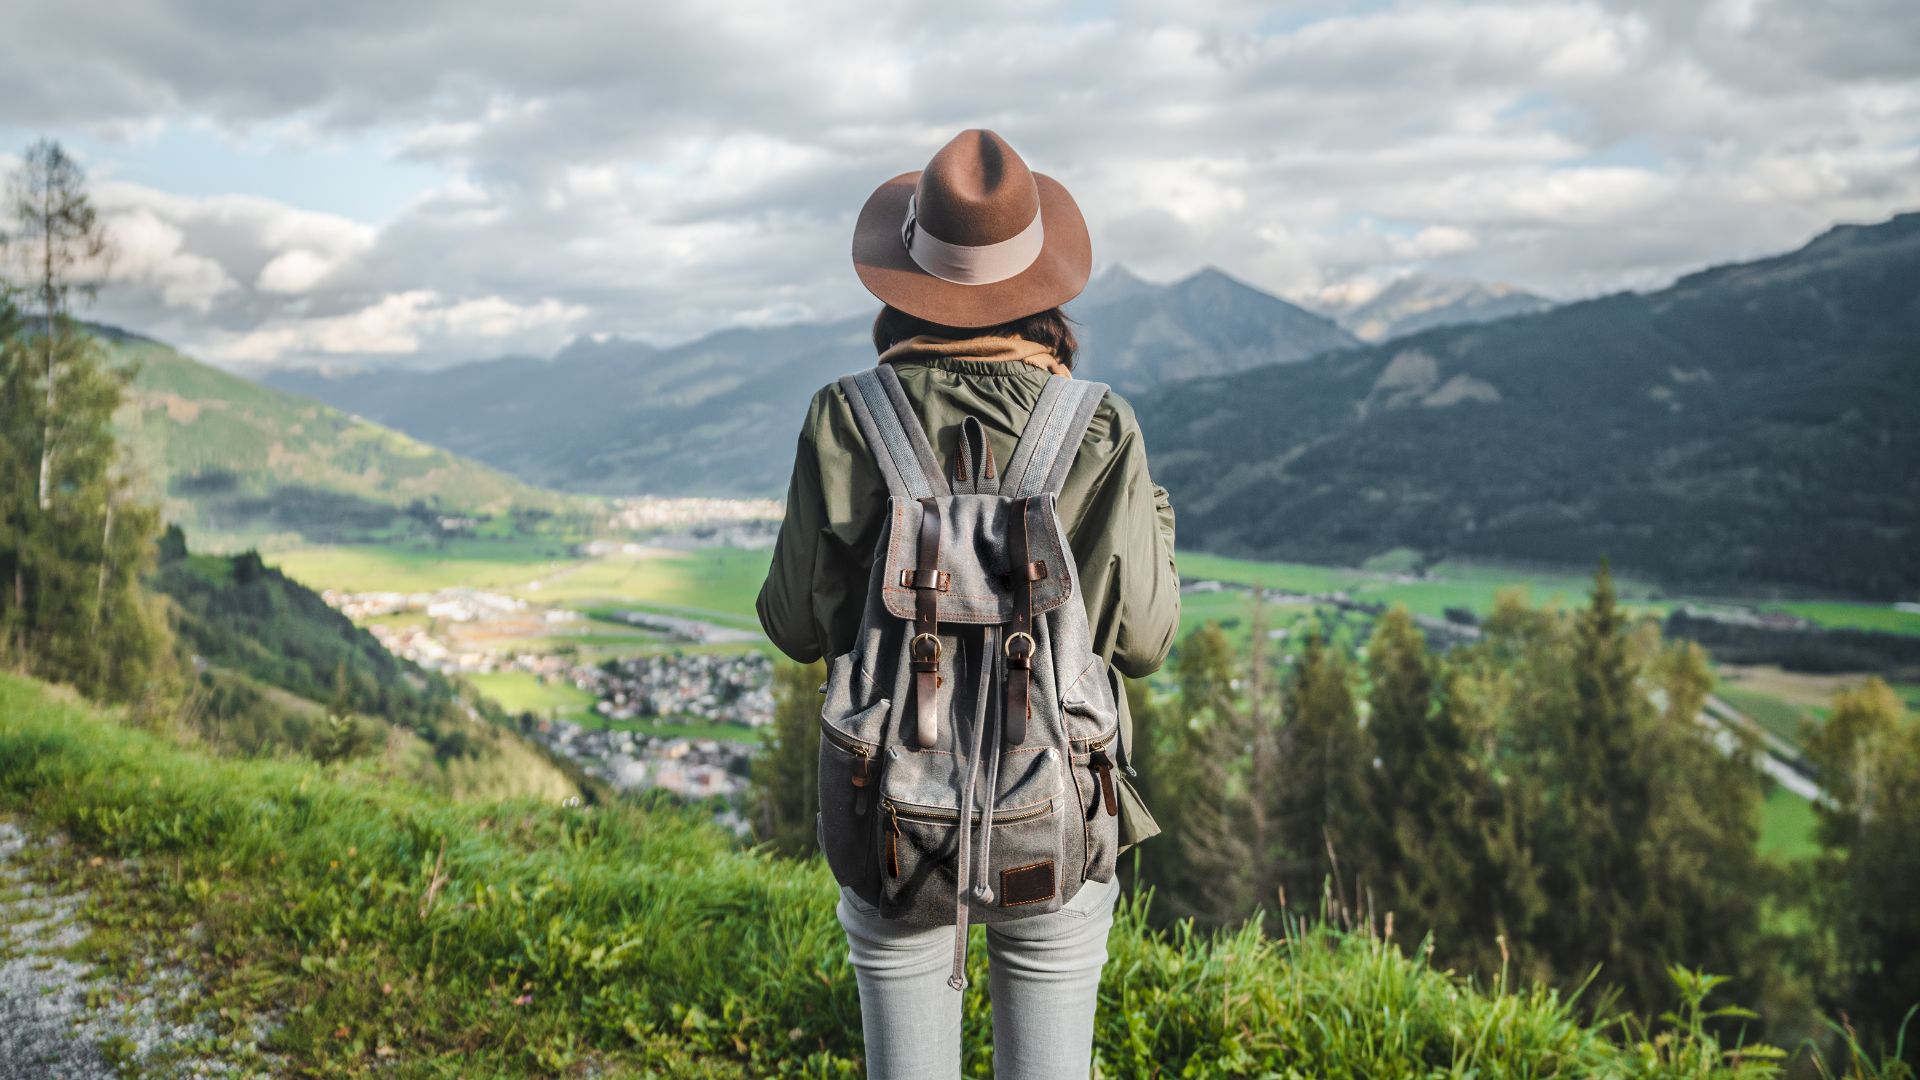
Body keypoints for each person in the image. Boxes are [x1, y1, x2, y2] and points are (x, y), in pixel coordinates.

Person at [756, 128, 1181, 1080]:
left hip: (889, 816)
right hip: (1058, 811)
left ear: (907, 276)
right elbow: (1145, 640)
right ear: (1043, 284)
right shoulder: (1098, 424)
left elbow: (792, 624)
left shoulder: (844, 416)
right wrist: (1150, 511)